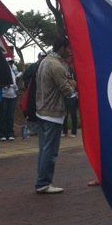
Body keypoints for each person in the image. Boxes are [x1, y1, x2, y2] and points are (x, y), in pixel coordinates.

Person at [35, 36, 76, 194]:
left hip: (42, 111)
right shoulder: (57, 65)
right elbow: (68, 90)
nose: (70, 51)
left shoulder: (45, 62)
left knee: (44, 150)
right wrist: (73, 86)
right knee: (50, 151)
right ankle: (43, 182)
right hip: (52, 112)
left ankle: (41, 181)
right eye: (69, 48)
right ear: (62, 48)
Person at [0, 58, 22, 141]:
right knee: (3, 115)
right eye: (9, 63)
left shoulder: (13, 72)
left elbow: (15, 84)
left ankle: (10, 133)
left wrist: (14, 88)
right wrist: (5, 85)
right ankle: (2, 134)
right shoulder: (1, 72)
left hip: (13, 96)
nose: (10, 64)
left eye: (11, 63)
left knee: (10, 115)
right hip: (4, 96)